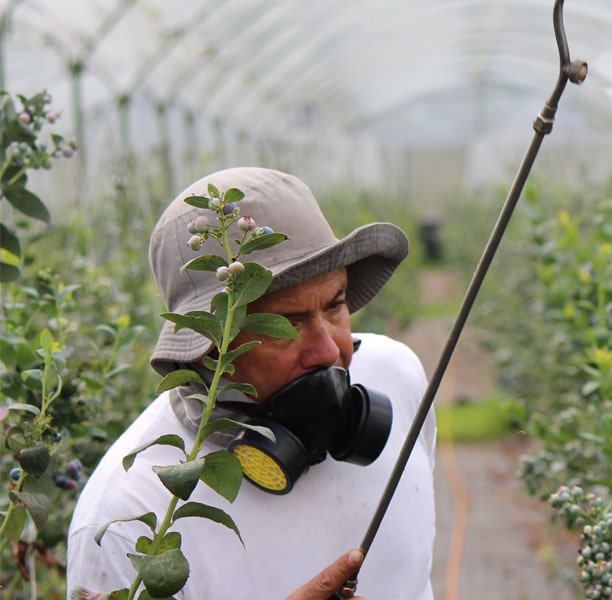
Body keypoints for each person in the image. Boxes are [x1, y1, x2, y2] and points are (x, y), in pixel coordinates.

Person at [66, 167, 436, 599]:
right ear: (207, 345)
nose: (329, 351)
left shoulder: (398, 375)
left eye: (335, 307)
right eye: (285, 324)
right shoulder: (125, 520)